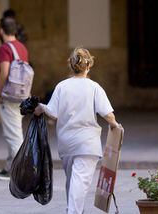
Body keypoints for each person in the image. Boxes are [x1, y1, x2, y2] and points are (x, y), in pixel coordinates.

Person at [34, 47, 120, 214]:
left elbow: (53, 112)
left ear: (71, 65)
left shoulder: (62, 86)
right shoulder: (94, 87)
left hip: (66, 143)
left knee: (72, 181)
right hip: (87, 143)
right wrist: (115, 126)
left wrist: (42, 108)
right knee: (79, 182)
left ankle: (73, 210)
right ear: (89, 66)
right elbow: (108, 115)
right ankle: (73, 212)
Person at [0, 17, 29, 180]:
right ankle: (9, 166)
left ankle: (19, 171)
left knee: (13, 135)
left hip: (9, 96)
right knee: (15, 130)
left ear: (1, 30)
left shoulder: (5, 48)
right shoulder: (22, 47)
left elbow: (4, 72)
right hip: (21, 96)